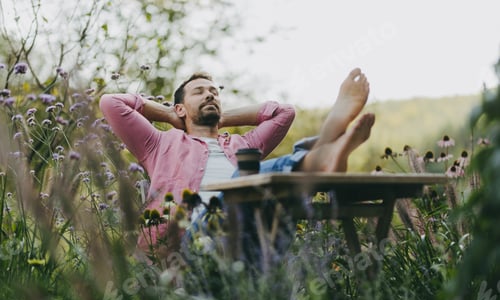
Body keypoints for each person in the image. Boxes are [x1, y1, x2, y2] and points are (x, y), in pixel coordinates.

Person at [99, 67, 375, 260]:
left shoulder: (242, 145)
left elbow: (283, 113)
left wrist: (219, 117)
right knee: (243, 182)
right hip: (184, 244)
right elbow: (111, 103)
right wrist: (171, 115)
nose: (210, 95)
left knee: (253, 181)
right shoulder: (159, 143)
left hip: (241, 239)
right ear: (180, 108)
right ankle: (320, 153)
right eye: (199, 92)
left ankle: (319, 157)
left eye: (214, 93)